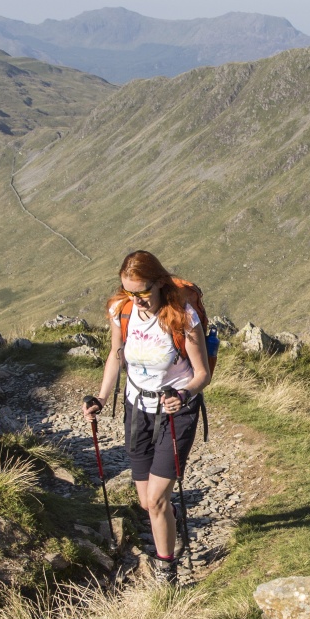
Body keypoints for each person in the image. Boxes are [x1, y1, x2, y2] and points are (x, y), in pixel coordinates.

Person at [84, 250, 212, 584]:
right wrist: (100, 397)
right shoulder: (121, 310)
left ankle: (166, 568)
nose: (136, 300)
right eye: (130, 292)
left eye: (142, 293)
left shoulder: (182, 316)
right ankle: (169, 517)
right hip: (136, 408)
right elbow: (115, 355)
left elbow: (202, 374)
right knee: (146, 501)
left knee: (155, 499)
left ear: (158, 284)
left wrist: (183, 394)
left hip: (176, 412)